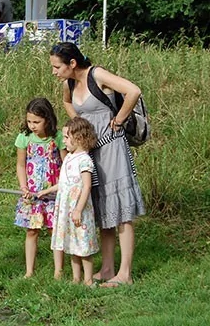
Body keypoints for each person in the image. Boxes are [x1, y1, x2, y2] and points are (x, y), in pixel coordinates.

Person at [49, 42, 145, 288]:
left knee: (120, 209)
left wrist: (119, 120)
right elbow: (67, 103)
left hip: (112, 147)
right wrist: (79, 124)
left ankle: (125, 273)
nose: (54, 71)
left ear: (72, 63)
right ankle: (107, 267)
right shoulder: (68, 83)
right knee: (101, 208)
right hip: (91, 150)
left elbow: (133, 91)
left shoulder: (97, 74)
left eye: (57, 66)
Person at [38, 117, 99, 286]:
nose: (63, 141)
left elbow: (86, 186)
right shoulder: (69, 158)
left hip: (78, 210)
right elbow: (64, 184)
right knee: (72, 244)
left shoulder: (84, 160)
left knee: (83, 245)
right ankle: (75, 278)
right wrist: (47, 191)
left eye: (66, 137)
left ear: (78, 138)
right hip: (66, 209)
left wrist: (78, 209)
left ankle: (88, 280)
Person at [14, 98, 67, 279]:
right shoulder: (24, 138)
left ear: (48, 119)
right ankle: (29, 271)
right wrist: (23, 186)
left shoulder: (58, 137)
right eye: (29, 122)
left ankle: (58, 270)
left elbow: (66, 164)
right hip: (32, 192)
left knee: (55, 230)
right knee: (32, 230)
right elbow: (21, 165)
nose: (32, 126)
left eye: (37, 122)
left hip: (53, 192)